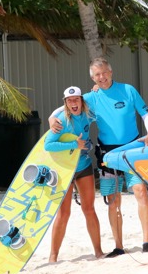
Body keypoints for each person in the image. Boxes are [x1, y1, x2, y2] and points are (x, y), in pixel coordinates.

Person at [49, 57, 148, 258]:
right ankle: (118, 246)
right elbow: (65, 107)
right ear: (93, 78)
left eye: (104, 73)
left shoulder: (128, 90)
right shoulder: (91, 97)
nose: (102, 77)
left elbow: (146, 114)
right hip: (108, 154)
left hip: (132, 149)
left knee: (140, 191)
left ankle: (147, 242)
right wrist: (51, 118)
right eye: (97, 75)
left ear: (111, 72)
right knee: (113, 199)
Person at [44, 86, 104, 262]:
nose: (73, 103)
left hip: (84, 165)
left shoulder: (88, 115)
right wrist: (74, 145)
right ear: (65, 103)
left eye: (76, 99)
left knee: (89, 209)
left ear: (81, 101)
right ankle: (53, 256)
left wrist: (97, 88)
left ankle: (99, 252)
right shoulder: (61, 121)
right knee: (64, 214)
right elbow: (49, 145)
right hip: (65, 170)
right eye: (69, 101)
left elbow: (99, 102)